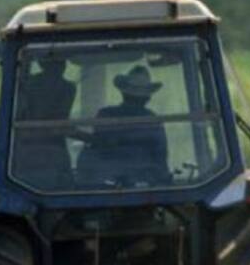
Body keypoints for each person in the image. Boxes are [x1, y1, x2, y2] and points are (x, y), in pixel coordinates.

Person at [78, 65, 170, 187]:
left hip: (106, 186)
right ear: (147, 98)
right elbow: (161, 160)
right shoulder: (152, 120)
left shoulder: (106, 115)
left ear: (123, 93)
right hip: (138, 186)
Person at [14, 55, 77, 189]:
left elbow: (60, 123)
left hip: (28, 148)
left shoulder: (28, 84)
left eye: (61, 63)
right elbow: (60, 122)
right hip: (44, 150)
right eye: (57, 64)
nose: (61, 67)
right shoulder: (67, 88)